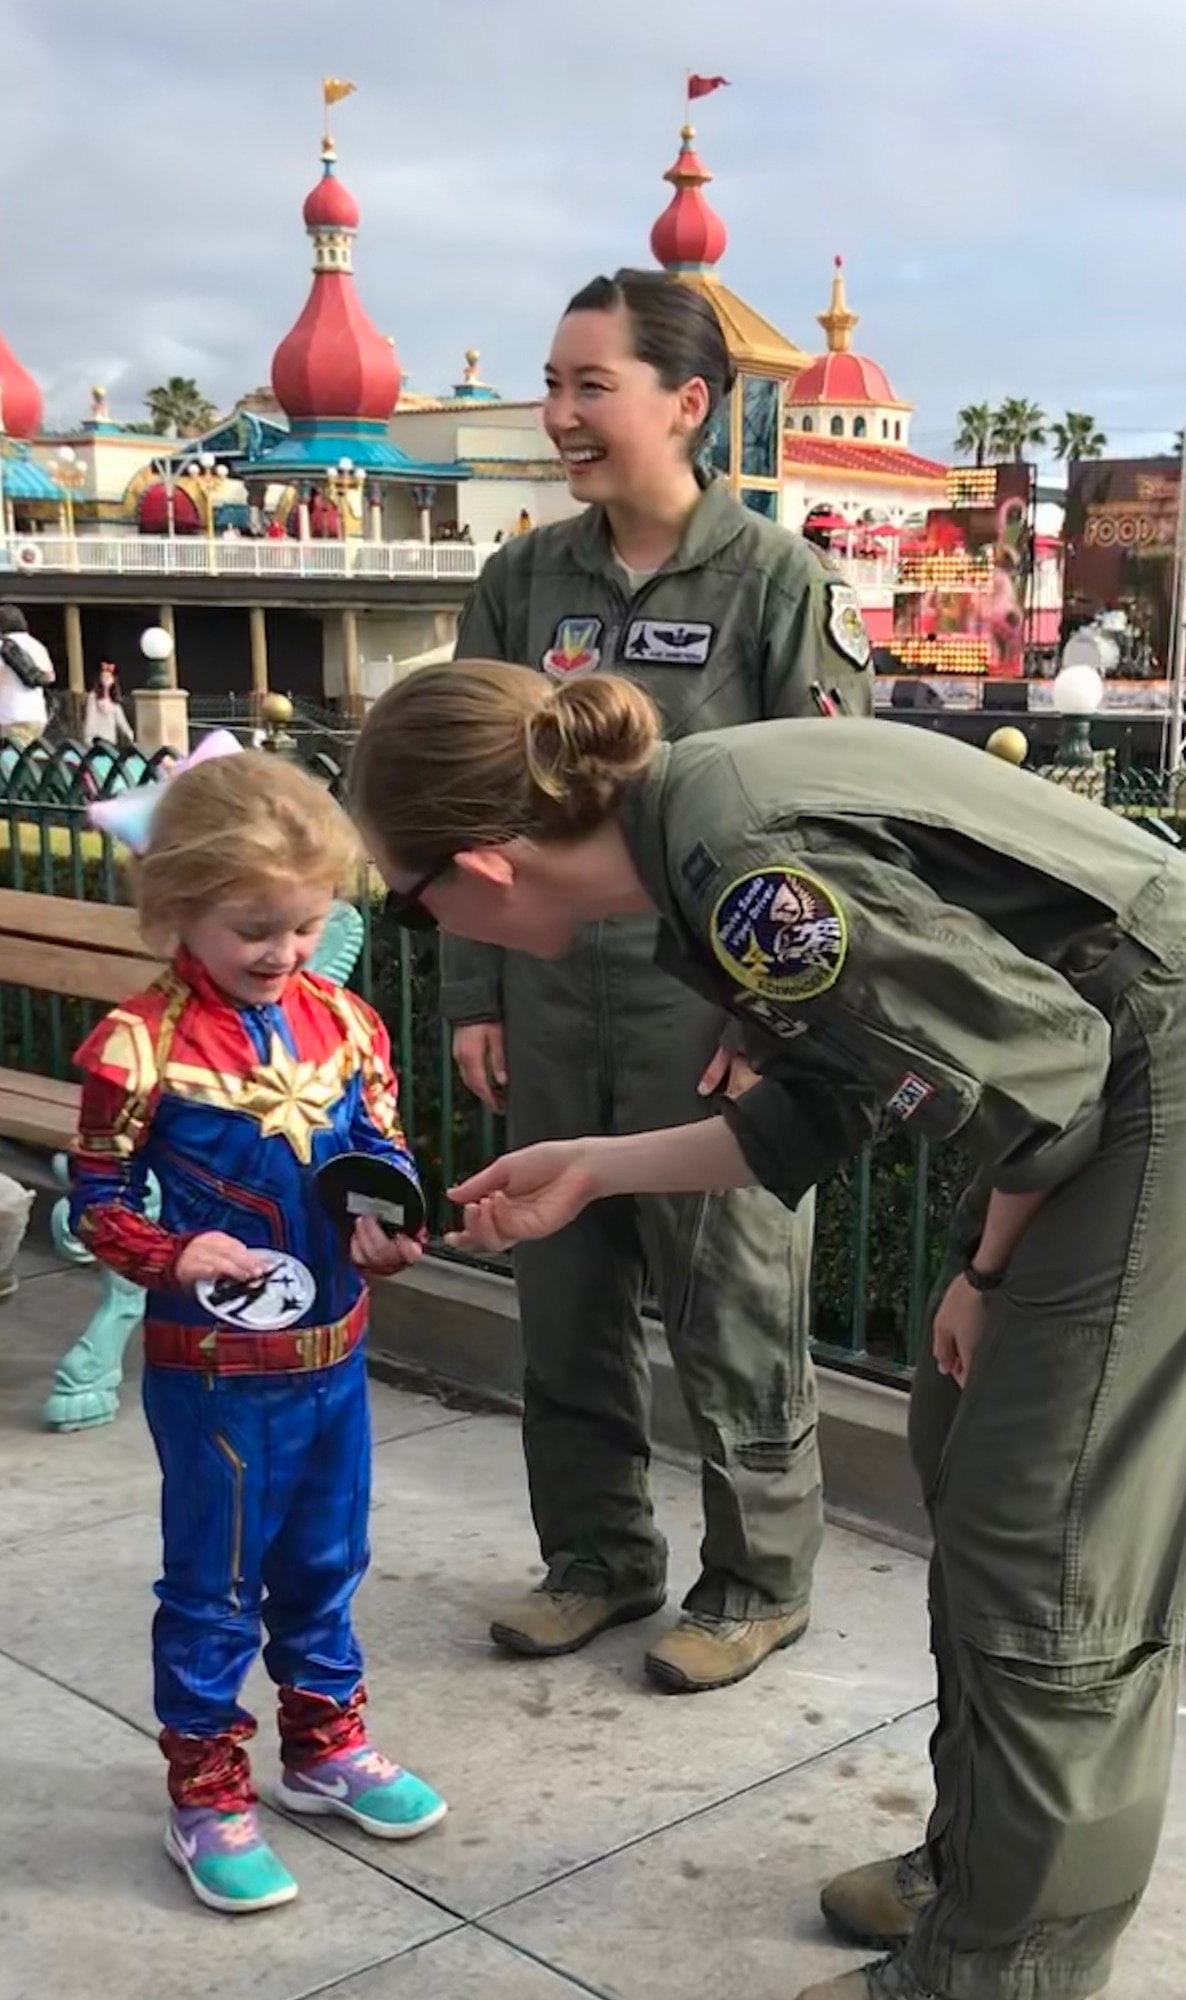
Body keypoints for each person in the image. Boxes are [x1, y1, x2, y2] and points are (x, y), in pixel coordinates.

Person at [353, 660, 1186, 2000]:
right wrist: (597, 1166)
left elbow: (1046, 1096)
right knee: (976, 1468)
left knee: (1046, 1548)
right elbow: (830, 1098)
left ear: (484, 870)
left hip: (1146, 1081)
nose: (425, 925)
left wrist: (982, 1268)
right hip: (1111, 1075)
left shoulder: (737, 873)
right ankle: (988, 1869)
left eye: (410, 899)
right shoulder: (694, 829)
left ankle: (1000, 1971)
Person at [440, 266, 875, 1693]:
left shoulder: (774, 582)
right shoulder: (520, 582)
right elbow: (471, 808)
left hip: (713, 1031)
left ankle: (755, 1583)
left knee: (734, 1312)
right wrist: (478, 1001)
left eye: (589, 384)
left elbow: (828, 832)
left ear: (685, 403)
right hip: (557, 1006)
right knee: (560, 1294)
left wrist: (774, 1027)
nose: (559, 412)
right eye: (552, 383)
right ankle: (596, 1559)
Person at [69, 749, 446, 1917]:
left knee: (327, 1561)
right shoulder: (135, 1047)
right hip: (215, 1372)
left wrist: (393, 1218)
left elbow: (376, 1150)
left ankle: (325, 1743)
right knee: (215, 1585)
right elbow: (94, 1196)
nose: (284, 950)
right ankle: (207, 1788)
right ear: (176, 906)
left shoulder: (348, 1021)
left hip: (334, 1353)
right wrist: (174, 1252)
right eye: (254, 927)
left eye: (305, 921)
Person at [0, 602, 55, 745]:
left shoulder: (2, 646)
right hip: (36, 715)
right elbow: (50, 677)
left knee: (11, 762)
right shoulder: (37, 645)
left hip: (10, 716)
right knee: (27, 760)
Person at [84, 660, 134, 747]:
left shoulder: (115, 702)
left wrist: (130, 735)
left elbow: (122, 722)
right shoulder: (93, 697)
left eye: (108, 677)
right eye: (103, 676)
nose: (106, 679)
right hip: (95, 740)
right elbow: (90, 718)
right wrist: (88, 738)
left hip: (110, 741)